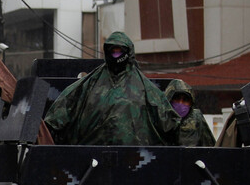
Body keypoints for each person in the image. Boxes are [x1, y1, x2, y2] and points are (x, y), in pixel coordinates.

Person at [44, 31, 180, 145]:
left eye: (119, 51)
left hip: (135, 159)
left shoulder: (146, 89)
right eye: (113, 51)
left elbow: (169, 123)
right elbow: (61, 111)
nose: (116, 55)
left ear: (128, 52)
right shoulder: (90, 84)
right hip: (91, 159)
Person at [164, 79, 215, 147]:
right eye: (177, 99)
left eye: (185, 100)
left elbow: (210, 148)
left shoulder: (197, 119)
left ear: (191, 103)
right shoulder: (161, 119)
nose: (180, 103)